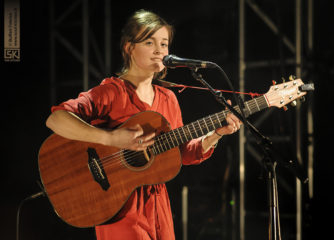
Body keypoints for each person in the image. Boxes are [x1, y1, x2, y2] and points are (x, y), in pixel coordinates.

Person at [45, 9, 242, 240]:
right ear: (129, 48)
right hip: (119, 207)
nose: (160, 50)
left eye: (164, 44)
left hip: (158, 207)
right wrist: (111, 138)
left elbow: (182, 153)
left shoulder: (168, 98)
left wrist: (216, 133)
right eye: (150, 42)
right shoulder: (112, 92)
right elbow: (56, 119)